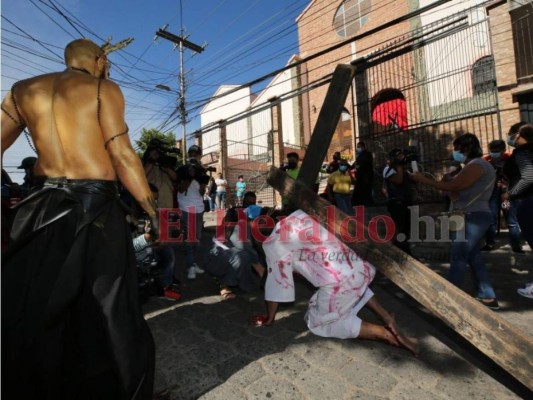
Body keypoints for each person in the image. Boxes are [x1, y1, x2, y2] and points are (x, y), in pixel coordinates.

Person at [1, 38, 155, 399]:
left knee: (42, 304)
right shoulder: (103, 88)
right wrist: (152, 211)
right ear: (99, 60)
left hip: (41, 205)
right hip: (95, 206)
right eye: (107, 63)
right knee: (111, 302)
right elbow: (122, 155)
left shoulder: (22, 90)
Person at [250, 210, 418, 355]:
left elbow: (277, 286)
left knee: (316, 321)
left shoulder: (271, 243)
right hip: (363, 265)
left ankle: (383, 333)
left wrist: (269, 318)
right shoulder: (302, 214)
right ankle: (387, 318)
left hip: (342, 282)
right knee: (338, 289)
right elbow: (353, 281)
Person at [412, 133, 499, 310]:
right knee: (473, 256)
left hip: (471, 216)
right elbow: (456, 191)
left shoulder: (477, 165)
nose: (455, 152)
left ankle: (449, 301)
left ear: (466, 148)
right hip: (468, 214)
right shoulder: (474, 166)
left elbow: (453, 187)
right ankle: (488, 295)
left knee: (458, 256)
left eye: (457, 149)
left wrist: (423, 179)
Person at [206, 191, 266, 300]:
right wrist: (259, 267)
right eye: (248, 203)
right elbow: (232, 240)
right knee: (242, 257)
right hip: (221, 251)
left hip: (236, 248)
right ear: (243, 202)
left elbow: (256, 243)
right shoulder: (234, 214)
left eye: (253, 203)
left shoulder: (250, 222)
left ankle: (241, 276)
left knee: (254, 263)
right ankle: (223, 283)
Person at [133, 184, 181, 301]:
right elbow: (129, 247)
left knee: (167, 250)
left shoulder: (151, 215)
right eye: (151, 200)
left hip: (150, 249)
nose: (154, 203)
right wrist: (146, 238)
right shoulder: (127, 216)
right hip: (132, 256)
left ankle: (165, 286)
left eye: (155, 199)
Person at [481, 139, 523, 253]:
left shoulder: (510, 159)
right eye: (492, 151)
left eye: (497, 151)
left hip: (506, 193)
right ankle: (489, 243)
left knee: (511, 219)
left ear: (503, 150)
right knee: (492, 219)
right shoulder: (486, 161)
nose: (493, 153)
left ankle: (516, 245)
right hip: (492, 194)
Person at [176, 144, 209, 280]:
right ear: (189, 155)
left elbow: (202, 192)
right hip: (186, 207)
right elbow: (181, 189)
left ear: (200, 155)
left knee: (197, 239)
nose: (194, 155)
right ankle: (190, 266)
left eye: (197, 153)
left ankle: (194, 263)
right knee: (190, 239)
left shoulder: (201, 170)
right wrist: (189, 176)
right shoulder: (182, 169)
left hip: (199, 208)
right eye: (192, 153)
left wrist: (201, 177)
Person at [503, 122, 533, 253]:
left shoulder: (523, 152)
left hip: (529, 201)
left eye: (510, 134)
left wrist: (509, 193)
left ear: (518, 135)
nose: (509, 137)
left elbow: (528, 177)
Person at [383, 148, 414, 255]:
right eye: (399, 156)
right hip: (396, 203)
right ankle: (389, 252)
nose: (402, 158)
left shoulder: (403, 168)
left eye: (402, 155)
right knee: (398, 228)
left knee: (406, 230)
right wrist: (399, 166)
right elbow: (398, 180)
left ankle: (405, 252)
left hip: (406, 202)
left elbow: (411, 181)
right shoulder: (388, 169)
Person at [142, 139, 177, 209]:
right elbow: (141, 176)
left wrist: (167, 169)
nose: (156, 153)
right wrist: (152, 161)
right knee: (155, 218)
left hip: (167, 199)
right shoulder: (145, 161)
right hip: (153, 199)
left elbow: (175, 178)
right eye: (153, 150)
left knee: (166, 219)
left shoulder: (165, 160)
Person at [352, 141, 374, 206]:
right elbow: (356, 163)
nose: (358, 148)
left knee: (365, 190)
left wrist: (359, 166)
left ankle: (366, 203)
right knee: (360, 190)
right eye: (357, 147)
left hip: (365, 176)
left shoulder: (367, 154)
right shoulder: (360, 155)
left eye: (359, 147)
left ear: (363, 147)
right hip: (360, 176)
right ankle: (360, 202)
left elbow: (364, 163)